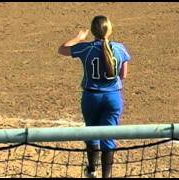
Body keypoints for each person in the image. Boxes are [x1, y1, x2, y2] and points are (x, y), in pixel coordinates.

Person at [58, 15, 131, 178]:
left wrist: (78, 37)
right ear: (109, 30)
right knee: (108, 139)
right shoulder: (120, 49)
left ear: (92, 31)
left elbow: (62, 49)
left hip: (91, 99)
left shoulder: (86, 48)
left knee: (91, 135)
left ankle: (91, 171)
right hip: (113, 99)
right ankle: (107, 176)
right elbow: (123, 75)